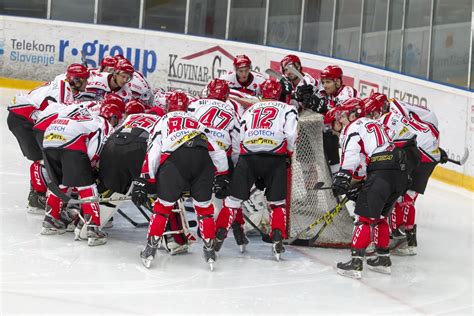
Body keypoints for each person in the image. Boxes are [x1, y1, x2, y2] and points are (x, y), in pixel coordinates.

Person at [131, 91, 229, 269]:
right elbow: (217, 149)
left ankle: (150, 249)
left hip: (175, 162)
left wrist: (147, 179)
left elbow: (153, 151)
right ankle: (209, 251)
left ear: (167, 106)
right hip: (202, 161)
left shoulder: (163, 120)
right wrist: (222, 174)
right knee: (204, 209)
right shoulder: (197, 122)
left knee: (162, 207)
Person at [326, 98, 408, 279]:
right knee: (379, 217)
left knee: (363, 218)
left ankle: (355, 264)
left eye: (343, 115)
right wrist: (361, 183)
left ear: (353, 114)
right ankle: (383, 259)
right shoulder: (374, 123)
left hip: (382, 172)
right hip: (399, 172)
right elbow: (369, 160)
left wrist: (343, 176)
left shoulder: (352, 128)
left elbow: (352, 155)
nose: (340, 119)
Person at [217, 78, 298, 261]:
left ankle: (218, 236)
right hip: (275, 157)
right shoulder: (288, 108)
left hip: (248, 157)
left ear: (260, 94)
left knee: (232, 201)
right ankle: (277, 239)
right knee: (277, 204)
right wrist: (289, 154)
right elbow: (292, 134)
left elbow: (240, 134)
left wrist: (241, 161)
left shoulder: (251, 109)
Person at [365, 93, 447, 255]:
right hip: (425, 156)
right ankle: (407, 240)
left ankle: (402, 238)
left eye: (373, 112)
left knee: (402, 198)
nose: (372, 116)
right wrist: (436, 150)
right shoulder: (401, 115)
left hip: (420, 158)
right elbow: (422, 130)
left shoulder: (390, 117)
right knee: (405, 198)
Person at [7, 63, 89, 212]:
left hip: (26, 117)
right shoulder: (62, 92)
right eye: (84, 80)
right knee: (41, 157)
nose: (87, 83)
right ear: (76, 80)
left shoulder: (64, 82)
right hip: (21, 118)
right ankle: (37, 197)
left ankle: (40, 193)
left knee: (45, 155)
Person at [40, 101, 121, 246]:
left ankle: (50, 220)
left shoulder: (87, 116)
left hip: (49, 138)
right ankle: (93, 229)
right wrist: (90, 170)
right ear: (114, 117)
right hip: (70, 141)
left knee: (61, 183)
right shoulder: (104, 124)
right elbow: (94, 151)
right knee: (87, 187)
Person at [187, 79, 246, 252]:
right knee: (232, 194)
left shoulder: (195, 104)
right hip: (221, 156)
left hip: (195, 152)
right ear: (226, 96)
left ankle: (176, 232)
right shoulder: (232, 111)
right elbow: (236, 145)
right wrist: (234, 166)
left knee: (188, 188)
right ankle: (237, 227)